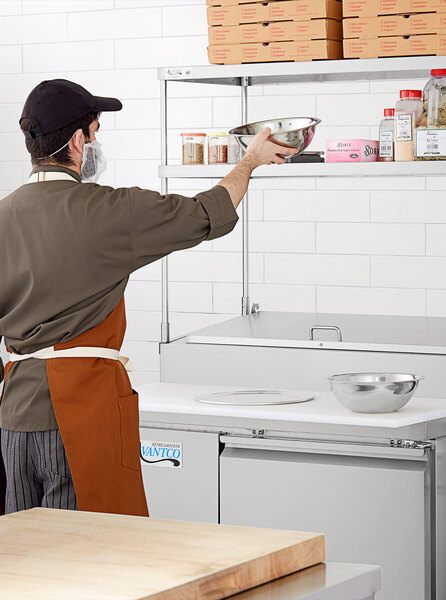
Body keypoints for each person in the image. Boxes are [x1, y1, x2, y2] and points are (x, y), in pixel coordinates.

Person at [0, 79, 295, 516]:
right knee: (89, 560)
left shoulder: (4, 215)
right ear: (79, 140)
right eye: (96, 131)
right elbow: (205, 212)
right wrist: (249, 162)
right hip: (80, 415)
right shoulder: (108, 212)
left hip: (13, 418)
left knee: (20, 562)